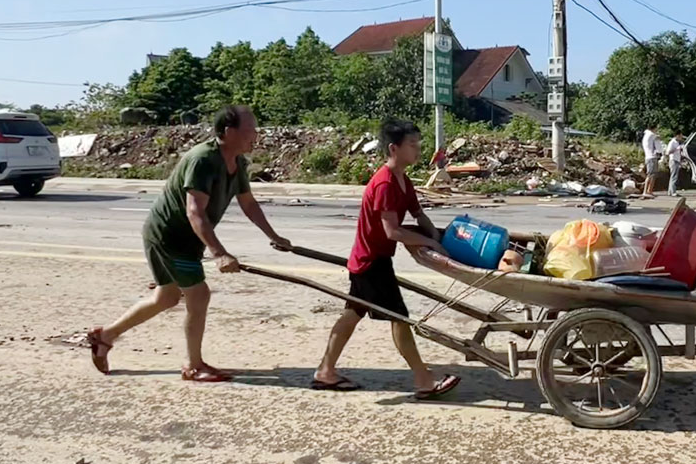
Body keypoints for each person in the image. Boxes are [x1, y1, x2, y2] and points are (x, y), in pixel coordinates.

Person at [86, 106, 290, 382]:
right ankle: (194, 366)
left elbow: (249, 204)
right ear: (229, 132)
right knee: (199, 294)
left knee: (167, 297)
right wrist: (219, 253)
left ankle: (105, 336)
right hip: (171, 237)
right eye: (250, 130)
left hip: (186, 239)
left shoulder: (238, 162)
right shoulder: (203, 160)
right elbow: (194, 211)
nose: (256, 135)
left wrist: (274, 236)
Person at [312, 119, 460, 399]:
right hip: (371, 263)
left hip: (373, 260)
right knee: (399, 318)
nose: (418, 149)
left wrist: (437, 237)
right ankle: (423, 381)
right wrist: (428, 242)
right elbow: (392, 231)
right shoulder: (384, 184)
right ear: (394, 148)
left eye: (418, 143)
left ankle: (325, 371)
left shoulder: (403, 180)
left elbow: (418, 215)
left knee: (352, 315)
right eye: (412, 145)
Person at [641, 124, 664, 198]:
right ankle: (645, 191)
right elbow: (659, 137)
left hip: (651, 157)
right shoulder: (650, 134)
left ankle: (649, 191)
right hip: (651, 157)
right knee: (650, 175)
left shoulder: (647, 135)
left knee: (653, 175)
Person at [666, 132, 686, 197]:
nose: (681, 137)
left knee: (674, 176)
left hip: (677, 160)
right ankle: (673, 191)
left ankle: (670, 191)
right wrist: (676, 149)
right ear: (677, 135)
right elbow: (668, 152)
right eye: (680, 136)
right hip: (673, 160)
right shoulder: (672, 142)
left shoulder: (677, 142)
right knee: (674, 176)